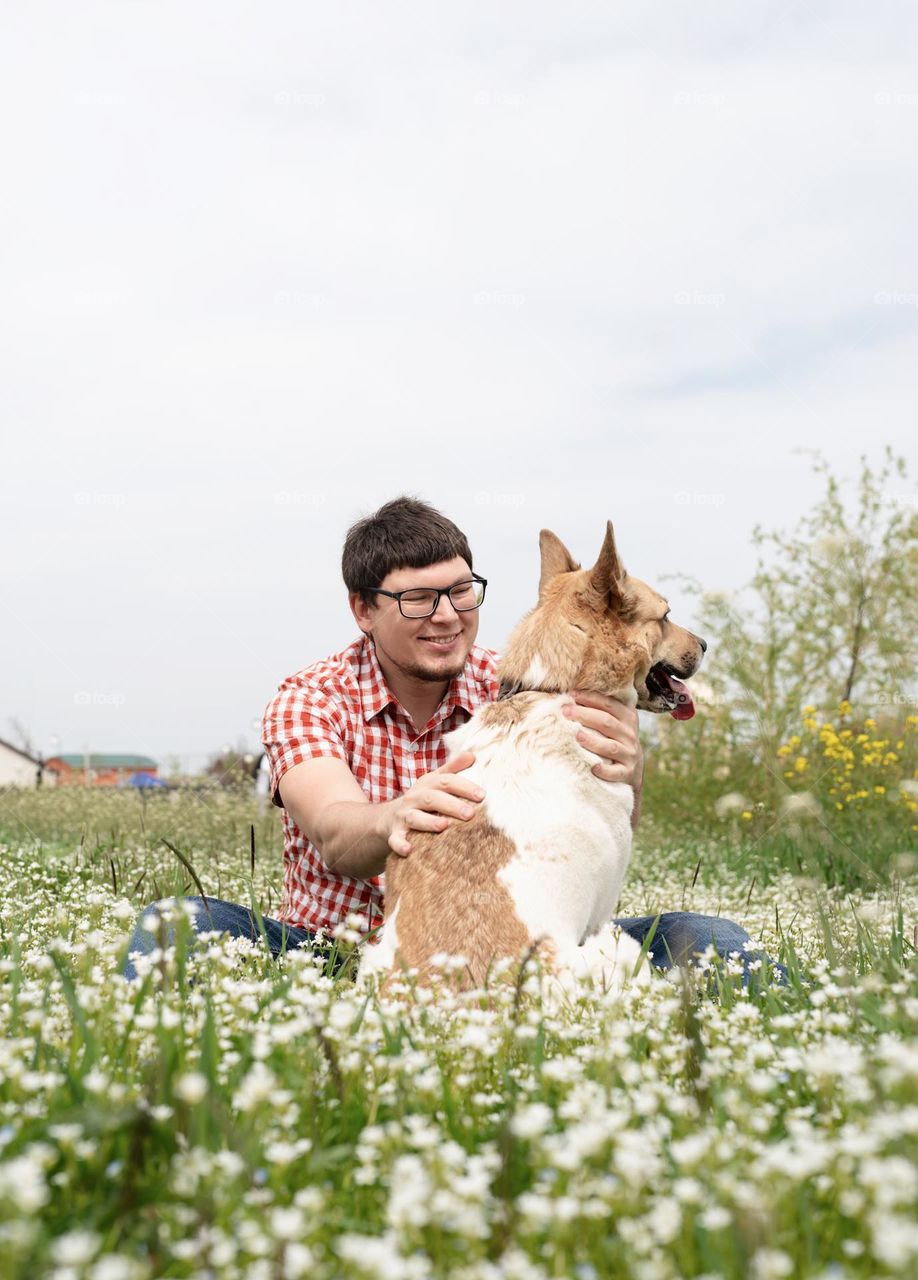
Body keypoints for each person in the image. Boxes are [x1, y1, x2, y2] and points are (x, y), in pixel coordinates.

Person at [123, 497, 784, 987]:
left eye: (462, 591)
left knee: (711, 938)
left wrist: (630, 771)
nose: (447, 615)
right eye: (417, 600)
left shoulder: (531, 681)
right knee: (177, 922)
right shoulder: (309, 697)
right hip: (335, 946)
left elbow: (603, 837)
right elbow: (332, 832)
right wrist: (396, 816)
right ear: (363, 609)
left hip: (511, 943)